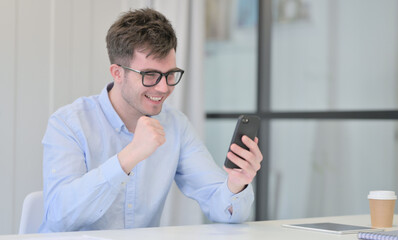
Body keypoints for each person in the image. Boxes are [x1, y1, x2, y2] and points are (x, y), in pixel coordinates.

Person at [39, 8, 263, 233]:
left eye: (170, 74)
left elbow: (222, 206)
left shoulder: (176, 125)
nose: (164, 87)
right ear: (117, 73)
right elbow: (59, 217)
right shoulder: (68, 123)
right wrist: (129, 156)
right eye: (150, 75)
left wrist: (236, 183)